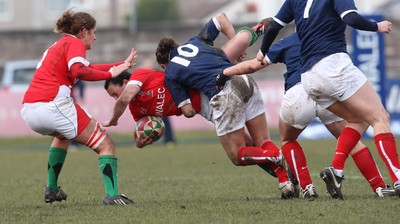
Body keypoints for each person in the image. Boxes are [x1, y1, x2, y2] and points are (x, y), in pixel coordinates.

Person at [219, 32, 397, 199]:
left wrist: (225, 72)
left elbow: (253, 65)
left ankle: (307, 187)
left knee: (288, 139)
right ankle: (379, 186)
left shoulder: (288, 41)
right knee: (352, 136)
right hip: (326, 90)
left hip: (299, 93)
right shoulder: (327, 35)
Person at [252, 0, 399, 199]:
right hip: (333, 65)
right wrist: (377, 26)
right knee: (380, 117)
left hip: (309, 78)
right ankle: (397, 177)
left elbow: (274, 27)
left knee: (358, 119)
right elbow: (351, 18)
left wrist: (262, 52)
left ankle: (336, 169)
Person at [155, 12, 296, 198]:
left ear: (164, 64)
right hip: (243, 78)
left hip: (223, 93)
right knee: (262, 142)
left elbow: (188, 111)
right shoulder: (194, 42)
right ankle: (286, 182)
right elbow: (220, 18)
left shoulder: (170, 72)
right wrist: (235, 44)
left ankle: (276, 157)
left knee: (237, 155)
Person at [20, 9, 138, 206]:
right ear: (83, 31)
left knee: (63, 136)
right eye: (93, 32)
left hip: (30, 110)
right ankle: (112, 195)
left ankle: (52, 188)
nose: (95, 36)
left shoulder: (62, 44)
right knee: (106, 144)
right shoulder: (74, 43)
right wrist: (110, 74)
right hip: (53, 105)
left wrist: (122, 64)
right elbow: (79, 71)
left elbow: (88, 67)